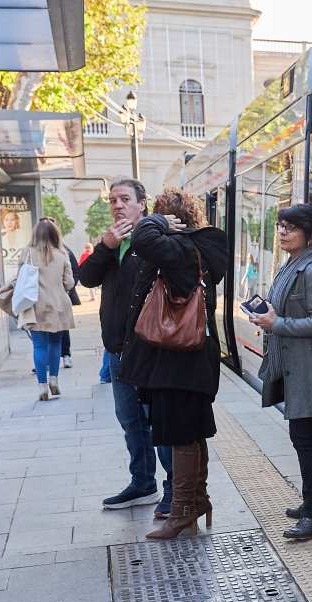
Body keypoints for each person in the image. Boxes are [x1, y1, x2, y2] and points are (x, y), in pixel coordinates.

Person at [121, 189, 228, 539]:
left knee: (182, 434)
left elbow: (143, 237)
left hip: (178, 362)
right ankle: (197, 500)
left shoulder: (181, 250)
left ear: (170, 220)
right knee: (192, 433)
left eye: (159, 215)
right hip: (192, 361)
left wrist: (156, 221)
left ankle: (183, 510)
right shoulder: (195, 250)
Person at [247, 204, 312, 540]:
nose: (283, 232)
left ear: (311, 234)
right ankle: (310, 502)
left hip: (308, 368)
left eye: (290, 227)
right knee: (301, 437)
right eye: (280, 226)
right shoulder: (292, 265)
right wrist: (266, 315)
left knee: (305, 439)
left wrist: (277, 323)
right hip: (292, 364)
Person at [77, 179, 172, 516]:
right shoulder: (110, 243)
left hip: (150, 351)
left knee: (159, 421)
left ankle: (173, 487)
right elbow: (85, 278)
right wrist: (104, 245)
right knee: (130, 419)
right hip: (117, 350)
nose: (117, 205)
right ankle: (142, 482)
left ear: (142, 204)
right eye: (112, 200)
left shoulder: (154, 240)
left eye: (125, 199)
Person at [17, 220, 75, 401]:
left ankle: (42, 386)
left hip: (34, 306)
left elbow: (20, 278)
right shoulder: (62, 254)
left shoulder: (27, 253)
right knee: (55, 344)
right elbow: (69, 283)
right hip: (58, 305)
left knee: (39, 346)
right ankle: (54, 380)